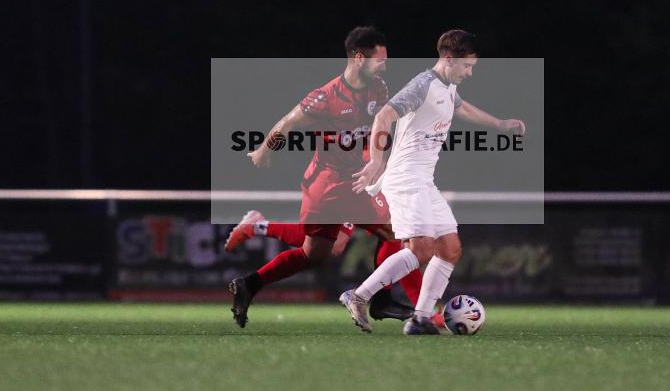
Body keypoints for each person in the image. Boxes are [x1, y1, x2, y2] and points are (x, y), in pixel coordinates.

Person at [225, 26, 421, 328]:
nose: (384, 65)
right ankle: (386, 300)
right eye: (379, 60)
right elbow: (288, 122)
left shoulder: (378, 88)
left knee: (313, 253)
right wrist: (265, 148)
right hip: (331, 185)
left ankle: (249, 284)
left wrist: (377, 160)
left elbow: (381, 125)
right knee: (397, 231)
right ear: (358, 58)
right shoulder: (326, 97)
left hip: (350, 181)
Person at [341, 29, 526, 334]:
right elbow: (384, 116)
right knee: (422, 248)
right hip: (404, 178)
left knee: (450, 249)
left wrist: (500, 124)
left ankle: (420, 319)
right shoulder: (423, 84)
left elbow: (461, 107)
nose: (469, 73)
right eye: (467, 66)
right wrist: (376, 160)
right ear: (449, 59)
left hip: (424, 181)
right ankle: (359, 296)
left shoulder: (448, 87)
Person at [226, 210, 424, 322]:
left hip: (356, 180)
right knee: (329, 246)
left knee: (396, 230)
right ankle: (420, 310)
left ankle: (394, 303)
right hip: (344, 182)